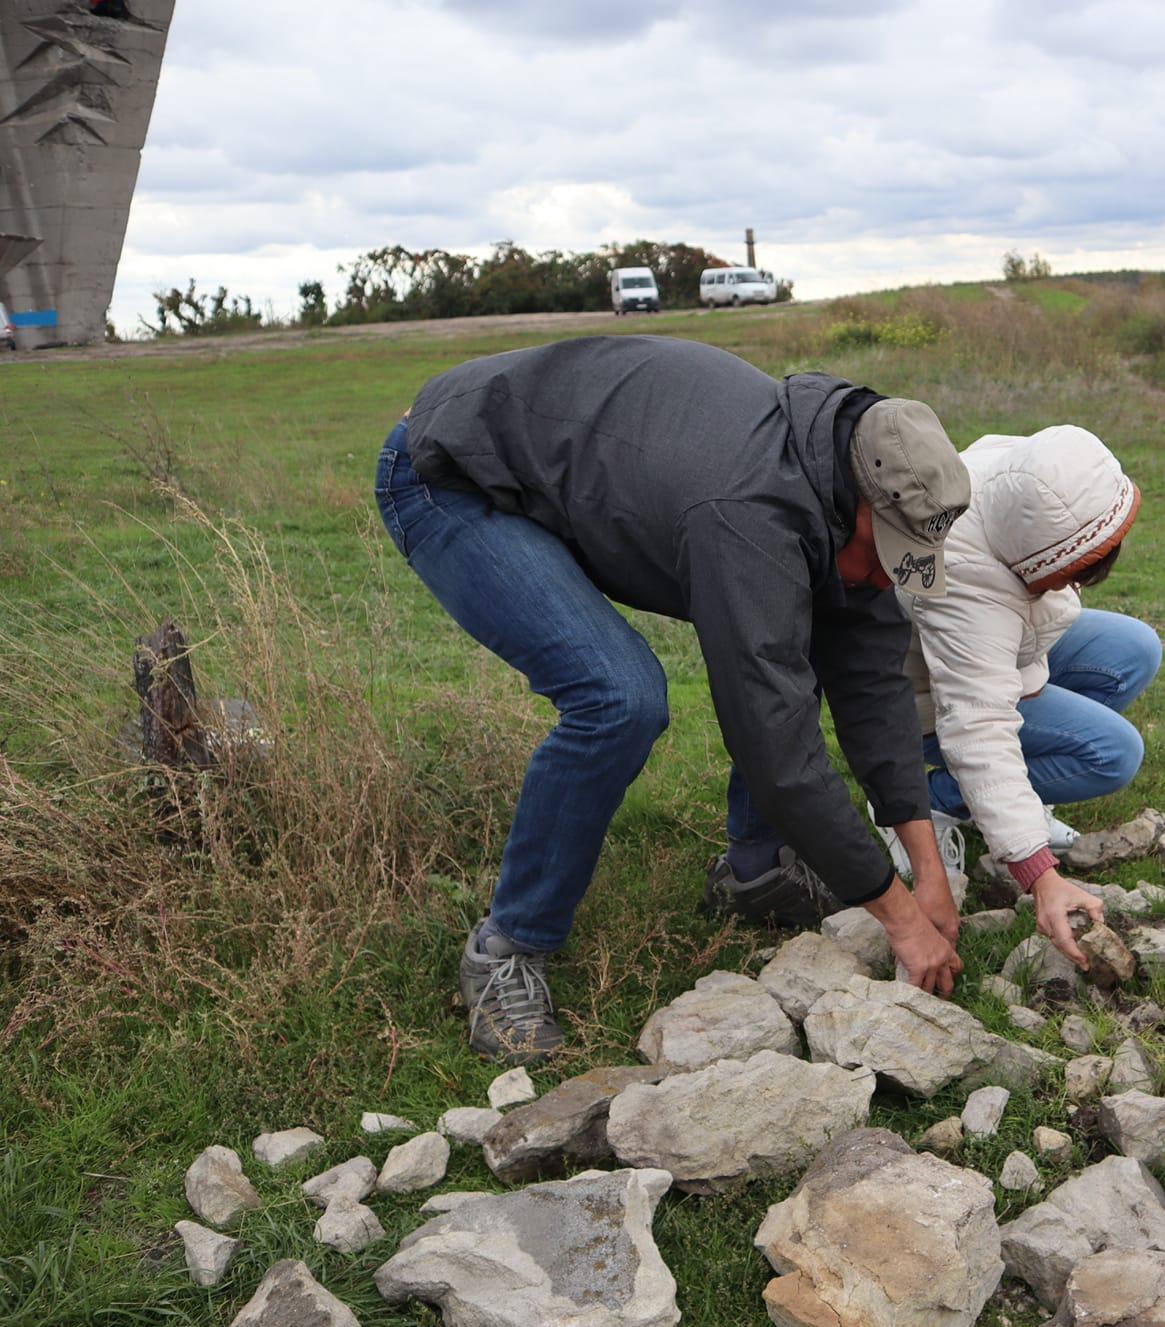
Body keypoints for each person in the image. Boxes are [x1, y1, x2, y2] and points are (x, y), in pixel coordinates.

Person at [375, 335, 971, 1063]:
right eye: (887, 551)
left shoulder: (837, 478)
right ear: (861, 500)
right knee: (619, 696)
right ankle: (504, 948)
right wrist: (903, 920)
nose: (888, 575)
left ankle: (757, 871)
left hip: (565, 465)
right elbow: (773, 741)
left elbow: (874, 684)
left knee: (818, 612)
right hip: (452, 470)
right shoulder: (748, 512)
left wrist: (928, 875)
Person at [886, 426, 1160, 966]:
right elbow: (978, 724)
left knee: (1134, 649)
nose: (1068, 586)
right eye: (1063, 576)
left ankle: (1011, 803)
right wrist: (1037, 870)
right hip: (929, 700)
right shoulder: (959, 580)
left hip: (1007, 649)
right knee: (1112, 755)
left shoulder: (1026, 480)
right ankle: (929, 802)